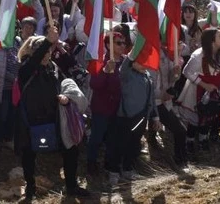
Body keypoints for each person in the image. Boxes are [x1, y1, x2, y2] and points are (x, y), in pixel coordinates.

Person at [17, 26, 88, 198]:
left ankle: (71, 186)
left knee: (71, 150)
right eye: (43, 52)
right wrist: (48, 40)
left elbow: (65, 84)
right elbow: (33, 60)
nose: (47, 55)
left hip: (55, 118)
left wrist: (66, 97)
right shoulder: (26, 69)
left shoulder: (53, 68)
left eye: (49, 51)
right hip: (32, 121)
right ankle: (30, 187)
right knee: (29, 155)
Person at [177, 28, 220, 153]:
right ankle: (189, 141)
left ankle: (203, 139)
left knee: (209, 116)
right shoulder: (199, 55)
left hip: (213, 92)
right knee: (195, 118)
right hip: (197, 91)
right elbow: (187, 71)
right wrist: (204, 84)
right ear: (212, 41)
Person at [106, 56, 157, 187]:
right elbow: (125, 64)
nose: (143, 64)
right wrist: (134, 52)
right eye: (139, 61)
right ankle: (114, 171)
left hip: (141, 117)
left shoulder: (148, 77)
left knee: (134, 144)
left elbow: (151, 99)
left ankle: (127, 168)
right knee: (120, 145)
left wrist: (154, 116)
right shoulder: (126, 74)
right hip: (126, 117)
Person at [86, 32, 125, 176]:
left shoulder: (126, 62)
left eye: (123, 43)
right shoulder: (101, 61)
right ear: (108, 45)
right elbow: (94, 84)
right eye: (118, 43)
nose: (122, 46)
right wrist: (105, 71)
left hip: (118, 108)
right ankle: (91, 164)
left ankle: (110, 165)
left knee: (113, 139)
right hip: (102, 108)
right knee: (96, 137)